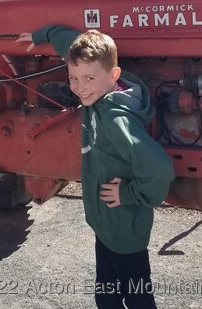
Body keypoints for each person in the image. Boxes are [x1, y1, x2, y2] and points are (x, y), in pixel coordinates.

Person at [16, 27, 175, 309]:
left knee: (138, 299)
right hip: (105, 227)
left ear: (114, 76)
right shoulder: (97, 92)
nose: (79, 86)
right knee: (106, 296)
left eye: (88, 78)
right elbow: (71, 47)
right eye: (73, 78)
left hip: (125, 234)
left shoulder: (115, 121)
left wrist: (127, 194)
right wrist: (42, 35)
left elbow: (159, 169)